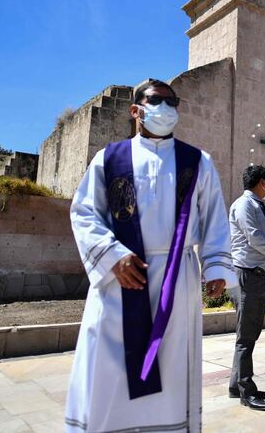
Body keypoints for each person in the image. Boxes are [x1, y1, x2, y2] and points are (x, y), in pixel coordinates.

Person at [65, 79, 237, 432]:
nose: (167, 108)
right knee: (109, 368)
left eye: (173, 102)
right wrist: (112, 255)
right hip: (119, 280)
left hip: (176, 283)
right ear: (136, 110)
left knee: (171, 367)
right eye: (157, 100)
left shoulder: (198, 161)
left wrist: (216, 265)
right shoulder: (109, 159)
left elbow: (215, 218)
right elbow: (83, 212)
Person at [228, 165, 265, 411]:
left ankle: (235, 385)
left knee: (248, 333)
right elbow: (255, 238)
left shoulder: (256, 205)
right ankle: (246, 390)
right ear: (262, 182)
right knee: (246, 336)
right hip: (247, 275)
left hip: (256, 272)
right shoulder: (245, 205)